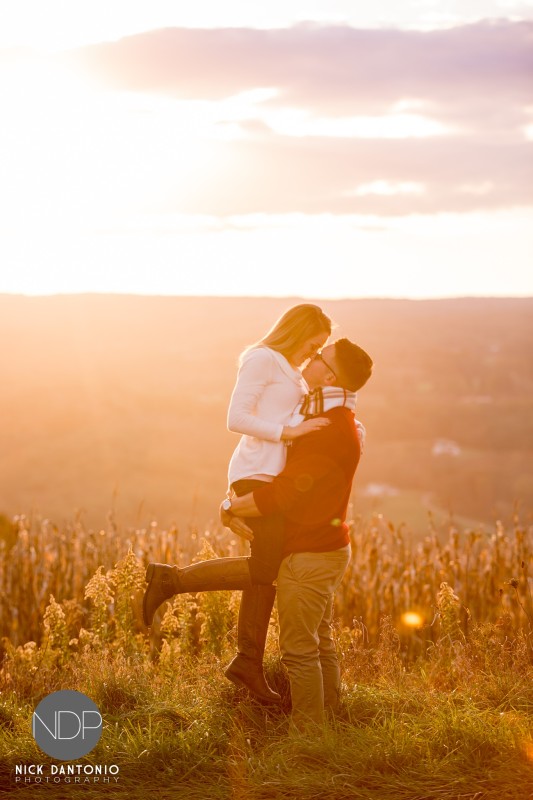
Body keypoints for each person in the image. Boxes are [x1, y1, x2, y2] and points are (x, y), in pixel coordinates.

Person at [143, 304, 333, 702]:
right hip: (255, 472)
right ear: (296, 333)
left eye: (321, 350)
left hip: (272, 477)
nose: (313, 354)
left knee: (266, 570)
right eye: (313, 345)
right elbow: (236, 418)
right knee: (266, 567)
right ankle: (171, 580)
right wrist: (288, 432)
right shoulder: (262, 358)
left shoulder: (290, 370)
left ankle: (248, 662)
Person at [220, 339, 373, 730]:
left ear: (330, 375)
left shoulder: (328, 428)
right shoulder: (335, 419)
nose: (312, 358)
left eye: (321, 357)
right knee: (319, 642)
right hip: (328, 550)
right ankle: (332, 719)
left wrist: (231, 508)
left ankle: (310, 733)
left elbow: (283, 494)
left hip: (310, 554)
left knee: (299, 651)